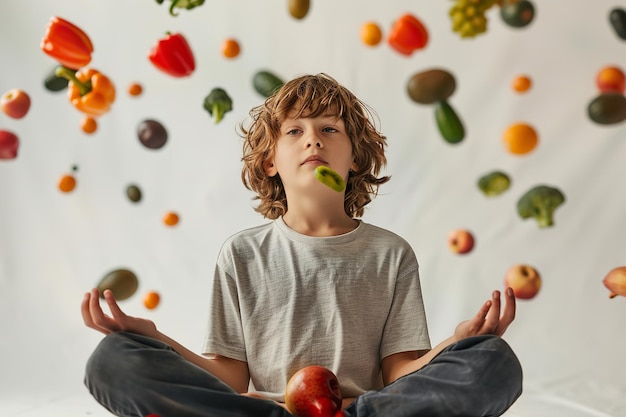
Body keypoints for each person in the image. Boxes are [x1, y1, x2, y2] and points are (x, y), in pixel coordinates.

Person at [82, 73, 523, 417]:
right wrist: (156, 339)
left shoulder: (390, 254)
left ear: (354, 158)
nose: (313, 138)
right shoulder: (242, 254)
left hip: (361, 409)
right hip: (264, 407)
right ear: (270, 162)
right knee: (113, 360)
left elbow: (400, 374)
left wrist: (455, 342)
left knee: (494, 361)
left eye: (329, 128)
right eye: (294, 131)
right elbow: (230, 378)